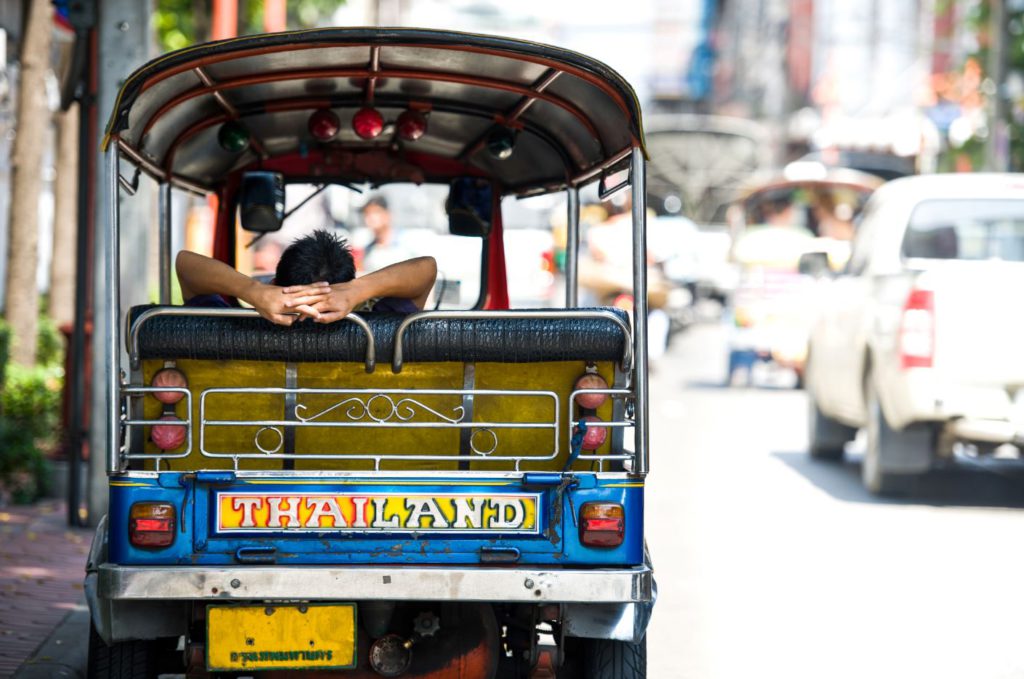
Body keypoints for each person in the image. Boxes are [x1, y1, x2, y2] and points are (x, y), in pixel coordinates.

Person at [175, 229, 437, 326]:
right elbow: (426, 269)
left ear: (274, 286)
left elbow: (185, 264)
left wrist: (252, 291)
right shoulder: (375, 329)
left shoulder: (234, 329)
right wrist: (356, 291)